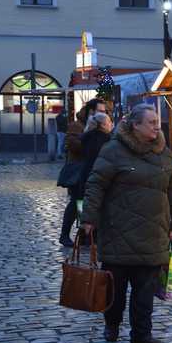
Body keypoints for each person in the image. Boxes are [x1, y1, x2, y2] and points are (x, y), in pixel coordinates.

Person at [81, 104, 172, 343]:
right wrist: (88, 218)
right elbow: (95, 185)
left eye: (157, 121)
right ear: (135, 125)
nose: (157, 126)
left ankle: (141, 334)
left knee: (145, 291)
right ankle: (112, 324)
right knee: (115, 292)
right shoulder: (113, 150)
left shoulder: (163, 152)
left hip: (153, 231)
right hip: (118, 232)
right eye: (151, 122)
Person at [60, 99, 107, 247]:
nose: (103, 113)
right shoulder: (77, 125)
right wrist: (89, 137)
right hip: (78, 172)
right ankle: (65, 234)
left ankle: (85, 236)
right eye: (100, 111)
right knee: (76, 203)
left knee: (88, 205)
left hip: (92, 171)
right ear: (91, 111)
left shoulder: (100, 127)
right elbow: (71, 145)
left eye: (104, 111)